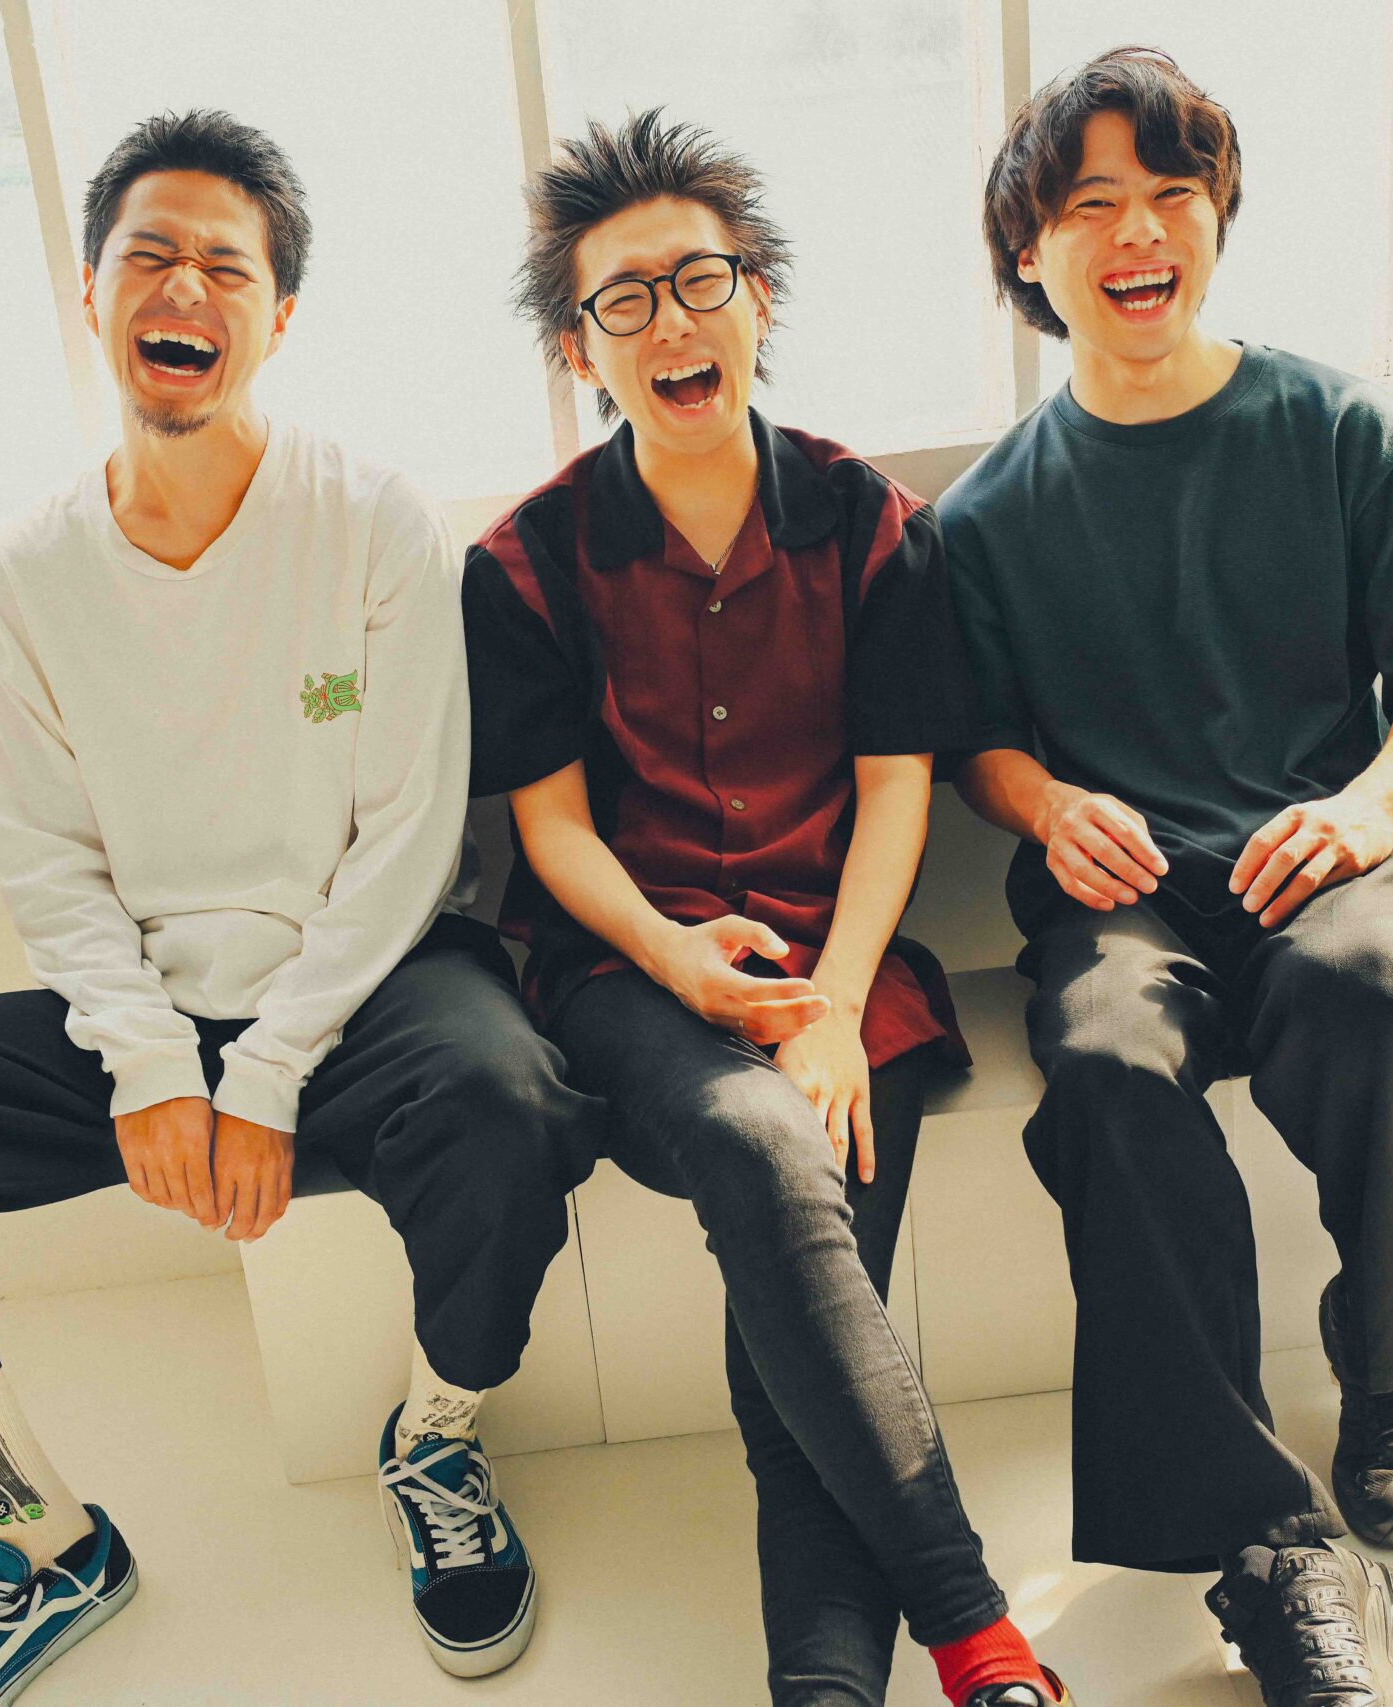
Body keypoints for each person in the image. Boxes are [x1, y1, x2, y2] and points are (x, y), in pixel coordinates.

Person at [0, 110, 599, 1705]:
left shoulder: (373, 521)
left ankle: (438, 1438)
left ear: (279, 316)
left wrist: (264, 1076)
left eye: (227, 265)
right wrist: (152, 1065)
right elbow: (46, 857)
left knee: (512, 1101)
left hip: (371, 987)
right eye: (151, 255)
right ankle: (35, 1535)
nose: (185, 287)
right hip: (148, 1007)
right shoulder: (27, 576)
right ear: (92, 295)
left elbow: (410, 836)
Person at [464, 110, 1068, 1707]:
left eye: (700, 280)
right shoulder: (523, 565)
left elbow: (896, 791)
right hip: (629, 974)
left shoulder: (873, 526)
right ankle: (979, 1634)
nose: (671, 320)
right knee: (754, 1143)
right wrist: (683, 963)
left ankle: (828, 1689)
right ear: (580, 349)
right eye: (624, 300)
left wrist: (834, 1010)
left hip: (846, 966)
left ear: (760, 299)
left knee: (798, 1325)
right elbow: (552, 830)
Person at [942, 48, 1393, 1707]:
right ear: (1030, 253)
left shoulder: (1340, 430)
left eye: (1172, 193)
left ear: (1218, 217)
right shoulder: (985, 516)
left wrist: (1372, 805)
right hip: (1125, 899)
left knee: (1371, 984)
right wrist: (1046, 804)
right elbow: (974, 738)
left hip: (1326, 855)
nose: (1138, 231)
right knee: (1107, 1061)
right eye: (1091, 205)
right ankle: (1267, 1547)